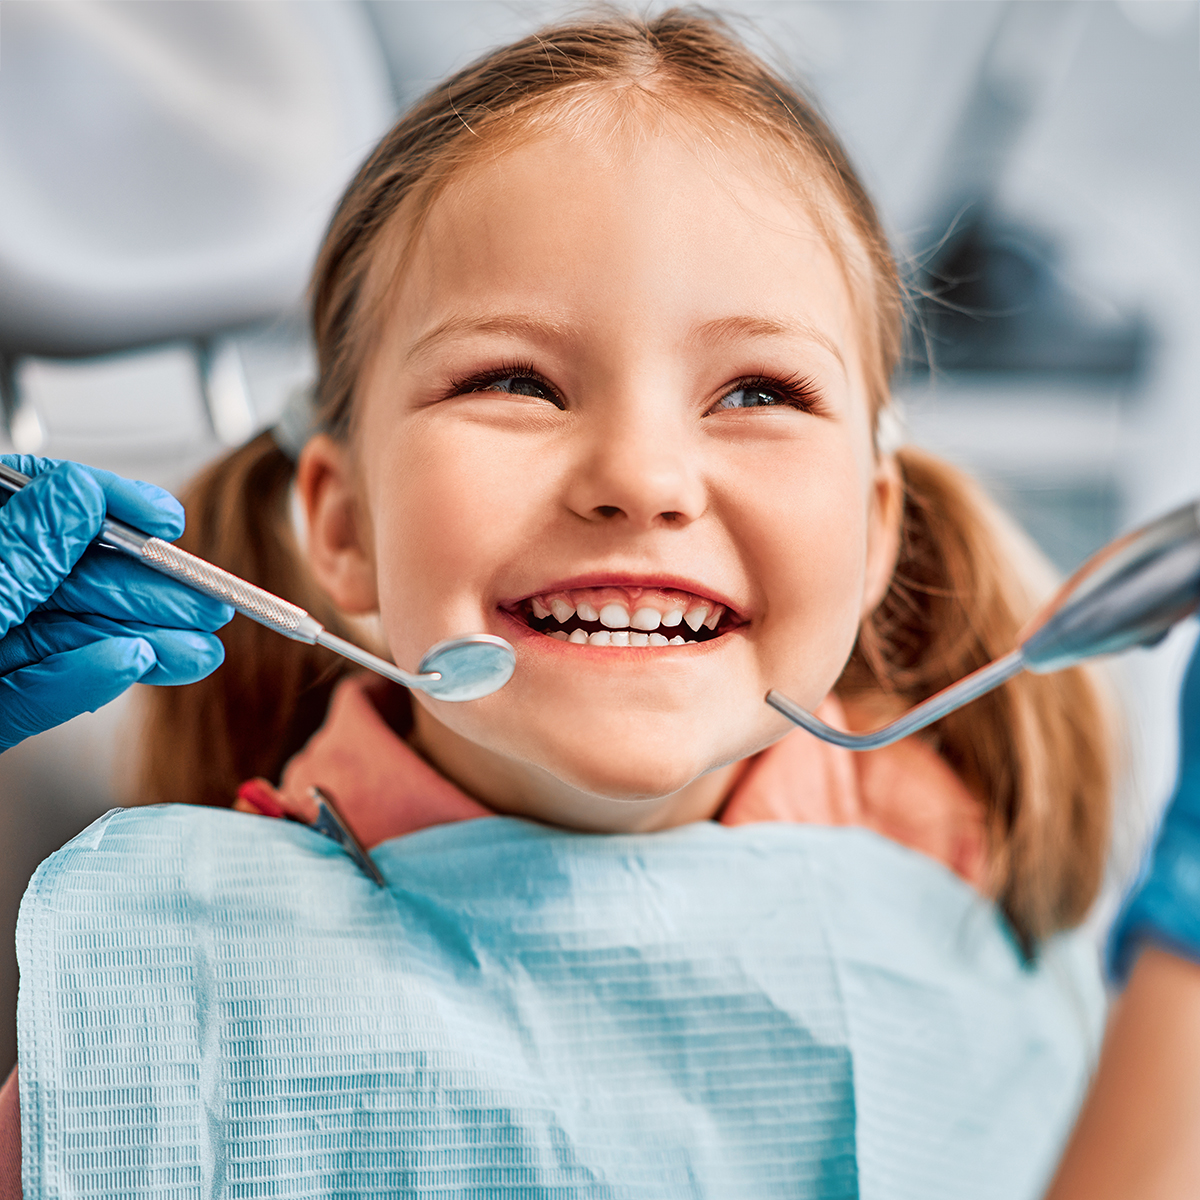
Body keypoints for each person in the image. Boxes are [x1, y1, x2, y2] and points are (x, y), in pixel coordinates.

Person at [0, 10, 1188, 1197]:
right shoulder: (174, 996)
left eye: (758, 390)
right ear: (344, 525)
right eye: (516, 381)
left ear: (876, 534)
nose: (642, 478)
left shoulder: (959, 904)